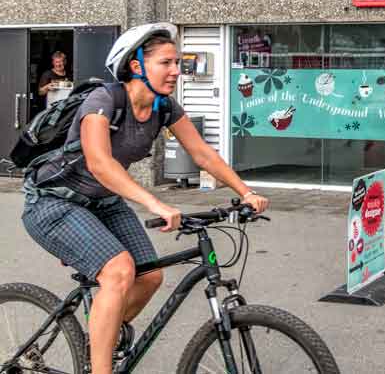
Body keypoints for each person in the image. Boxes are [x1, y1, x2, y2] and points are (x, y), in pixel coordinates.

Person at [21, 23, 270, 374]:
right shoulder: (104, 100)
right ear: (137, 66)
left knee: (149, 276)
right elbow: (100, 162)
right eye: (166, 63)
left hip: (103, 203)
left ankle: (100, 334)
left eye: (178, 62)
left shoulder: (164, 107)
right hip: (54, 203)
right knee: (120, 271)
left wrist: (246, 192)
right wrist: (155, 203)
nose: (175, 71)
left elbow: (202, 154)